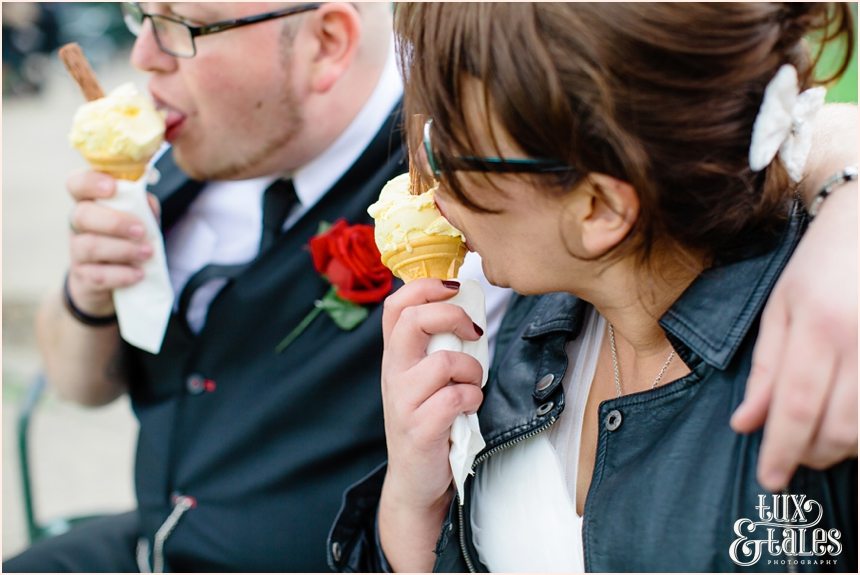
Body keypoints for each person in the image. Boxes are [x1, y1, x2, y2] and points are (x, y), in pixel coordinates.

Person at [329, 3, 857, 572]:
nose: (425, 181)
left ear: (601, 209)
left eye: (450, 150)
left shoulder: (828, 352)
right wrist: (413, 499)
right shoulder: (535, 318)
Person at [5, 2, 508, 572]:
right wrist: (88, 294)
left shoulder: (463, 192)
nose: (143, 56)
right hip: (150, 546)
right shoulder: (190, 151)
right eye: (138, 16)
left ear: (326, 42)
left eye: (180, 26)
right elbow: (77, 386)